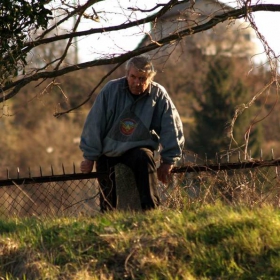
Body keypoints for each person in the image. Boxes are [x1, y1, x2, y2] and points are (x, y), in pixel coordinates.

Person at [80, 54, 184, 212]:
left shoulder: (158, 94)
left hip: (138, 148)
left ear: (150, 78)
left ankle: (151, 212)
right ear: (127, 74)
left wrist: (168, 161)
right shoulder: (111, 90)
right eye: (133, 77)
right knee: (107, 200)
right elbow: (95, 124)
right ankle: (108, 220)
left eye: (142, 78)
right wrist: (89, 156)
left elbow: (171, 127)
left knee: (144, 157)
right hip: (109, 149)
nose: (137, 82)